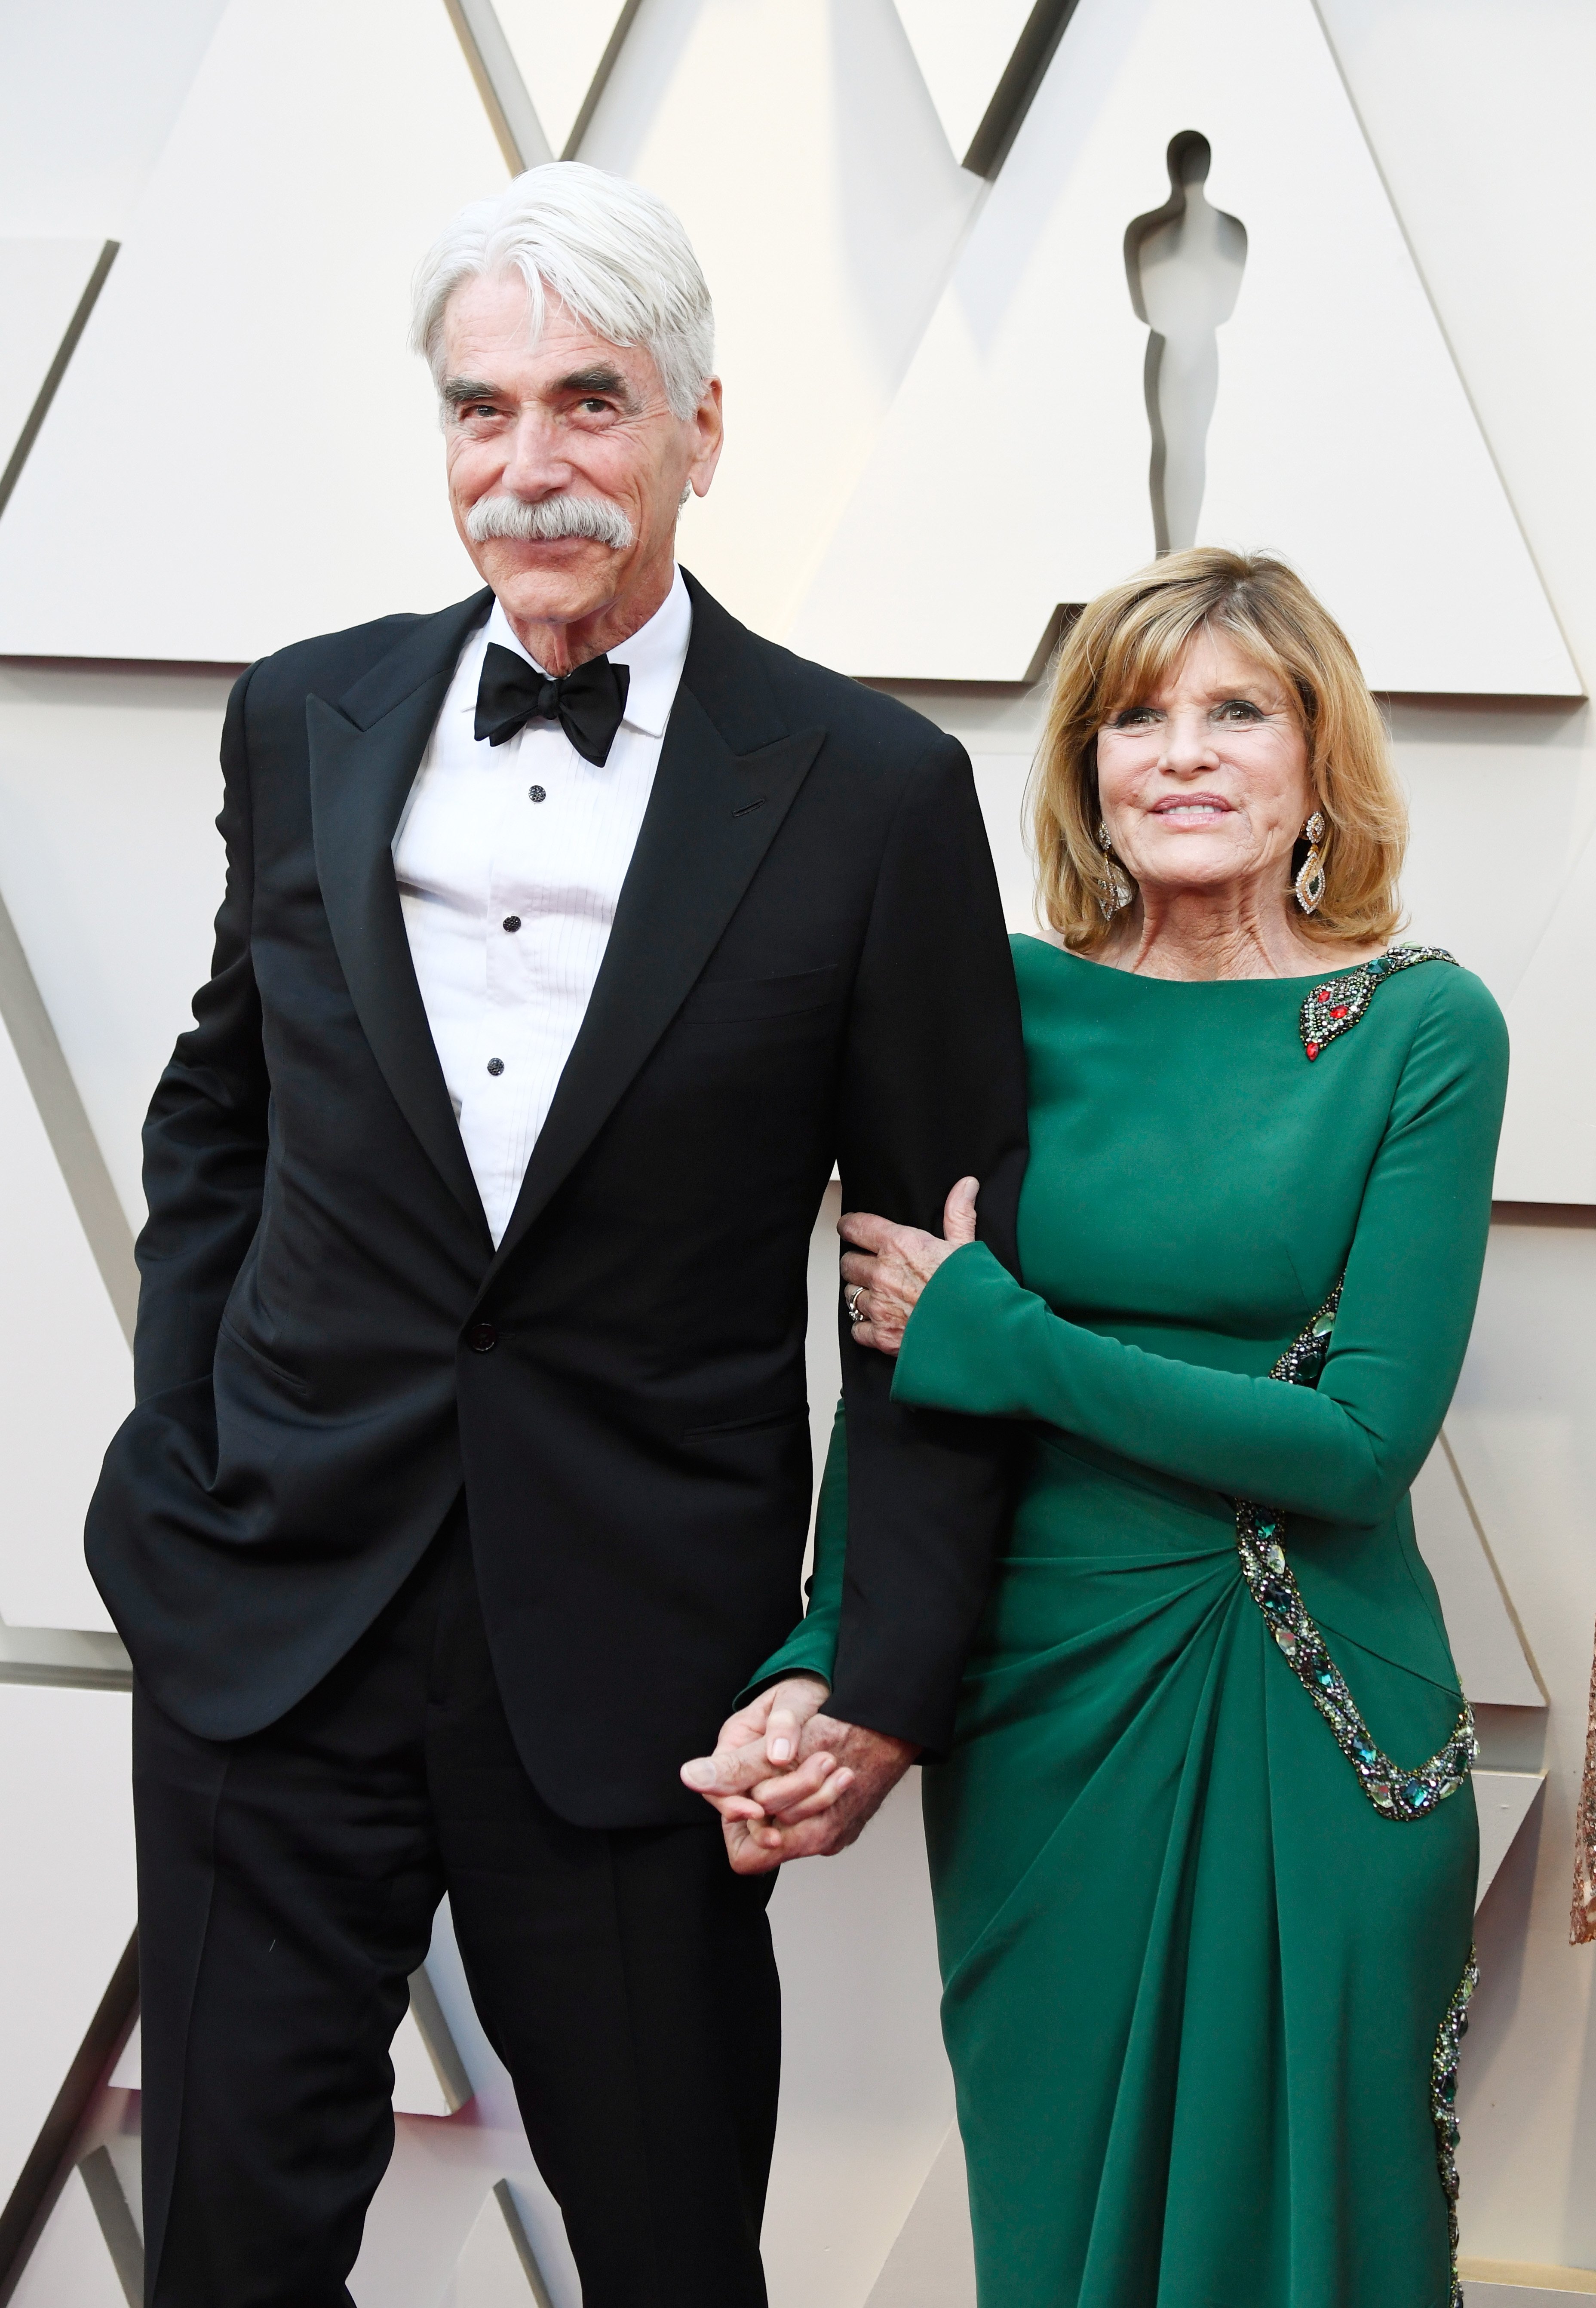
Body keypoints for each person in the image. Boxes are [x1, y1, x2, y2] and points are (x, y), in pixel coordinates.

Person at [86, 162, 1028, 2308]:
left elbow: (940, 1289)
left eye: (590, 402)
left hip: (640, 1659)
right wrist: (175, 1472)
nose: (529, 467)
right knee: (225, 2254)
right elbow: (220, 1116)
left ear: (703, 427)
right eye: (478, 409)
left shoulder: (871, 789)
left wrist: (871, 1668)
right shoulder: (301, 713)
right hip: (269, 1623)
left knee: (676, 2255)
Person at [689, 549, 1507, 2308]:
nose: (1182, 753)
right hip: (1033, 1713)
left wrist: (1004, 1331)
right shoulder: (995, 999)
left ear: (1315, 761)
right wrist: (826, 1649)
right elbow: (898, 1402)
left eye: (1235, 711)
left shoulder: (1421, 1029)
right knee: (1063, 2244)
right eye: (1135, 715)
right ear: (1083, 767)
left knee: (1322, 2250)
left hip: (1310, 1704)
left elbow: (1360, 1443)